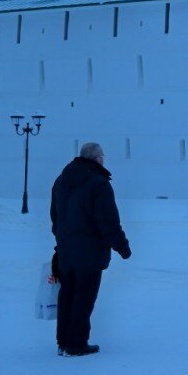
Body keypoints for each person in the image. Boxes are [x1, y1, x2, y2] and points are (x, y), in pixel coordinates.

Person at [49, 142, 131, 356]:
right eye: (103, 156)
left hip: (66, 250)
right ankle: (76, 344)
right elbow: (108, 221)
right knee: (83, 299)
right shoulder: (98, 183)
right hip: (90, 252)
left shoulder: (61, 180)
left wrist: (62, 240)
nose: (104, 159)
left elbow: (55, 216)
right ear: (97, 159)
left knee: (67, 295)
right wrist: (122, 246)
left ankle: (63, 342)